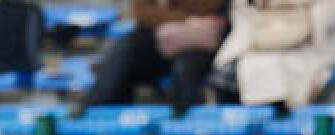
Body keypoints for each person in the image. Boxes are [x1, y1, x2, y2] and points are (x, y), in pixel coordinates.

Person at [81, 0, 228, 115]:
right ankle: (90, 111)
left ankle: (187, 130)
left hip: (199, 43)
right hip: (159, 38)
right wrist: (186, 19)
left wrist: (165, 12)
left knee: (185, 68)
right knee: (125, 49)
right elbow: (142, 13)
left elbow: (211, 6)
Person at [209, 0, 335, 108]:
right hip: (253, 49)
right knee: (226, 76)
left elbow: (323, 28)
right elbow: (243, 23)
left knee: (269, 73)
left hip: (306, 51)